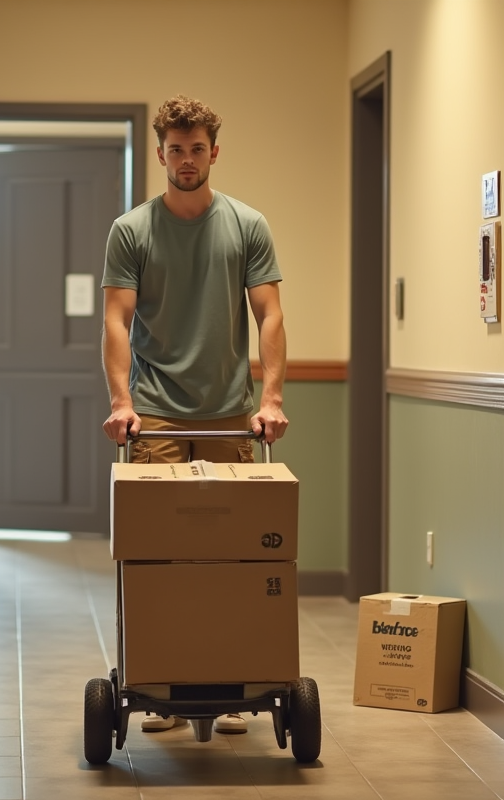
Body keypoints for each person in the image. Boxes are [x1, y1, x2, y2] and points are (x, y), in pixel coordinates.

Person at [100, 95, 289, 735]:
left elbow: (269, 314)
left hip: (229, 413)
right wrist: (122, 402)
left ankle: (230, 685)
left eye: (197, 149)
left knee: (232, 558)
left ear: (214, 151)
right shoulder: (132, 231)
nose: (187, 159)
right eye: (176, 150)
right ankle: (161, 686)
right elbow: (117, 320)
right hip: (155, 414)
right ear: (161, 154)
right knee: (159, 558)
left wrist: (271, 399)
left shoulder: (247, 225)